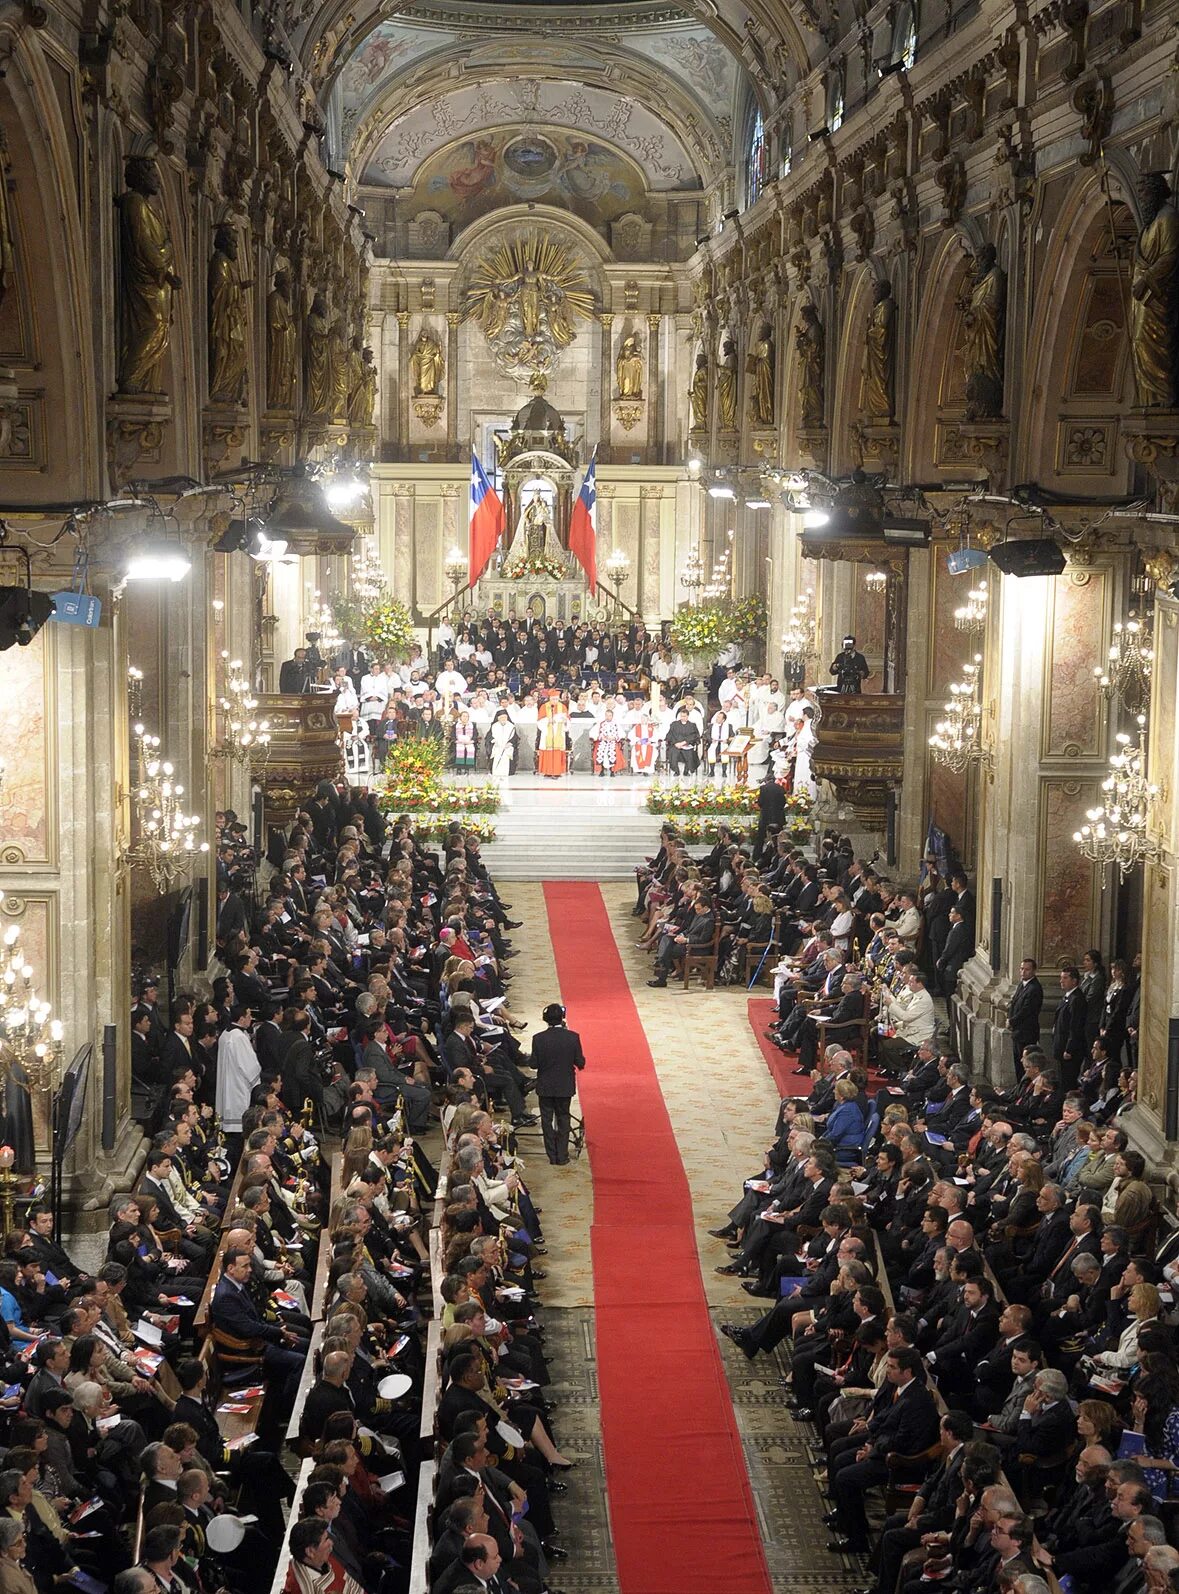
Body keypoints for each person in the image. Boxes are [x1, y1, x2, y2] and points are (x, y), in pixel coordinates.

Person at [529, 1004, 585, 1167]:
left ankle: (552, 1156)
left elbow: (533, 1064)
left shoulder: (538, 1038)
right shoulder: (573, 1037)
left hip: (545, 1086)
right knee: (563, 1118)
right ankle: (562, 1155)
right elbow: (579, 1062)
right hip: (564, 1086)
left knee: (546, 1121)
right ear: (562, 1018)